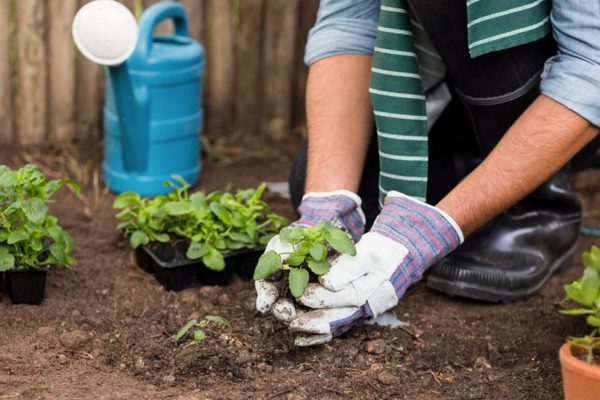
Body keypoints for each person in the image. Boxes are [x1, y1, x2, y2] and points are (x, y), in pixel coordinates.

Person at [256, 0, 600, 346]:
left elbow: (591, 68)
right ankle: (480, 166)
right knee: (338, 184)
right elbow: (349, 24)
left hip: (572, 93)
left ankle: (538, 207)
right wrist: (326, 201)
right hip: (456, 90)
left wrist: (428, 233)